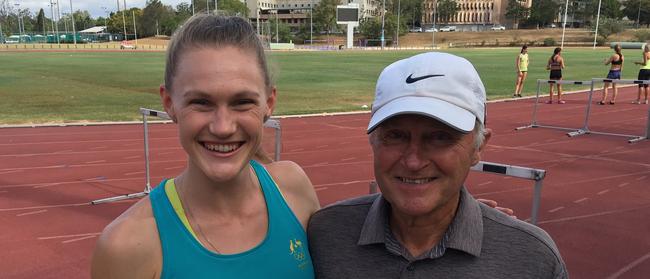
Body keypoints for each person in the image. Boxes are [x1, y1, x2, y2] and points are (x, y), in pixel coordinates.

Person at [91, 15, 321, 278]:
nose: (222, 127)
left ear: (268, 103)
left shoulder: (293, 189)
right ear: (169, 104)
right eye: (201, 102)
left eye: (242, 101)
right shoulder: (128, 245)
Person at [308, 52, 568, 278]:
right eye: (396, 136)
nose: (413, 161)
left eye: (440, 137)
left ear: (479, 146)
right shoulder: (323, 235)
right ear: (373, 141)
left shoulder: (533, 259)